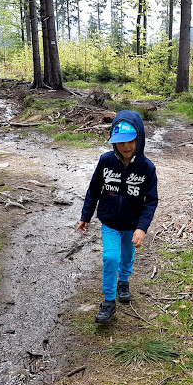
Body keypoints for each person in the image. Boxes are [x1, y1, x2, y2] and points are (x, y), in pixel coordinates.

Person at [75, 110, 158, 323]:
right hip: (109, 222)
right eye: (120, 142)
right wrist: (86, 215)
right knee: (111, 257)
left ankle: (124, 281)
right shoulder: (106, 161)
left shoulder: (147, 168)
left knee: (127, 257)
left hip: (132, 224)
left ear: (139, 138)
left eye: (130, 140)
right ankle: (109, 301)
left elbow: (151, 201)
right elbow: (94, 189)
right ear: (113, 141)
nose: (125, 146)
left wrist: (142, 227)